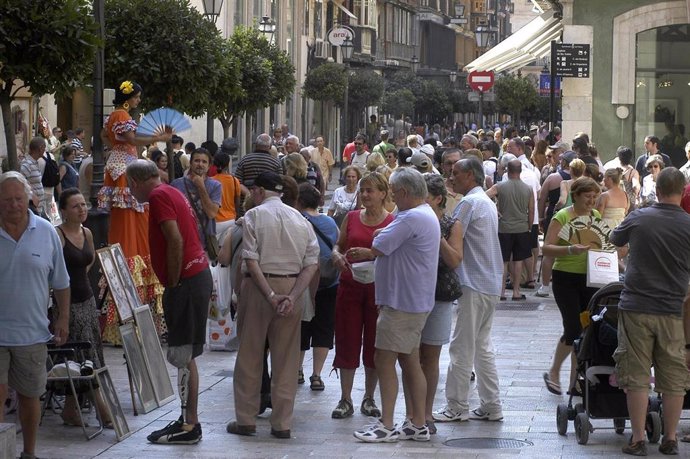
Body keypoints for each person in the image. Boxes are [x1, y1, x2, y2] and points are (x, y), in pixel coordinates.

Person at [227, 171, 319, 439]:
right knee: (287, 359)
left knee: (250, 355)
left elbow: (251, 260)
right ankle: (282, 423)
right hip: (291, 287)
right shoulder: (301, 220)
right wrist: (293, 295)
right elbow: (312, 263)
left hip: (259, 288)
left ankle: (246, 419)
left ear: (257, 191)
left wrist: (268, 294)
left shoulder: (254, 216)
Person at [126, 159, 212, 445]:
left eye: (129, 186)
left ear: (135, 182)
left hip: (187, 282)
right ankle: (188, 420)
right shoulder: (171, 191)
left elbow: (174, 240)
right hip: (195, 277)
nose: (130, 192)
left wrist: (174, 282)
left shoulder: (159, 196)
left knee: (182, 355)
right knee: (186, 356)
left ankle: (189, 425)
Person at [353, 168, 440, 443]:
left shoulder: (412, 217)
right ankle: (417, 422)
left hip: (402, 302)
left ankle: (387, 424)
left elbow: (379, 242)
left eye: (392, 191)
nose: (391, 196)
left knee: (385, 359)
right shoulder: (421, 214)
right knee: (409, 360)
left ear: (403, 192)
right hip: (411, 300)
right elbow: (385, 238)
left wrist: (381, 235)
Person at [610, 167, 690, 456]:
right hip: (672, 311)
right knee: (673, 377)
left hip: (636, 307)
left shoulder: (639, 217)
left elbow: (614, 238)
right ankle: (670, 438)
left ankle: (639, 438)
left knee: (636, 375)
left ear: (657, 190)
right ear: (682, 192)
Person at [0, 171, 70, 459]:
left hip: (32, 332)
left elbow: (62, 283)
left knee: (30, 395)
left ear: (28, 198)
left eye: (18, 198)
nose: (13, 205)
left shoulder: (46, 232)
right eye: (6, 200)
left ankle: (29, 452)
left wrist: (63, 319)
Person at [98, 80, 170, 344]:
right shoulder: (122, 114)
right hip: (124, 167)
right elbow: (128, 138)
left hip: (121, 164)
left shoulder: (115, 116)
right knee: (133, 224)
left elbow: (108, 137)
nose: (139, 101)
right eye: (138, 97)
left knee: (135, 223)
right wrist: (155, 139)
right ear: (130, 99)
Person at [433, 157, 504, 424]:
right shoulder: (483, 201)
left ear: (471, 176)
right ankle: (491, 404)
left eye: (456, 174)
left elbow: (451, 234)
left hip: (473, 283)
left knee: (462, 346)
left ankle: (457, 405)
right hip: (488, 282)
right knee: (481, 345)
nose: (451, 178)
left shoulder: (469, 203)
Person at [330, 172, 393, 420]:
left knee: (375, 343)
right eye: (363, 190)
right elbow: (339, 245)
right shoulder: (352, 217)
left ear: (383, 193)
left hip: (379, 290)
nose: (365, 195)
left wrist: (370, 253)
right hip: (350, 285)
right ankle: (345, 398)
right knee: (347, 339)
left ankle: (369, 397)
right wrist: (336, 255)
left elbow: (395, 255)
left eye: (370, 190)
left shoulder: (392, 222)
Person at [542, 177, 604, 397]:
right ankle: (554, 371)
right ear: (575, 195)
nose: (592, 201)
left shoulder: (595, 216)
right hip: (565, 278)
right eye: (588, 196)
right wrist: (570, 250)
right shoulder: (563, 216)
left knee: (585, 330)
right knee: (573, 328)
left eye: (595, 197)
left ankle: (574, 382)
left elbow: (600, 246)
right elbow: (547, 248)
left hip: (590, 278)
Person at [55, 188, 111, 428]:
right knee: (84, 357)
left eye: (83, 204)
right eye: (76, 206)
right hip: (68, 303)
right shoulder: (57, 235)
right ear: (64, 211)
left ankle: (70, 410)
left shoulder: (87, 232)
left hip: (87, 300)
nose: (82, 209)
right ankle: (103, 410)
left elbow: (88, 264)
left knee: (85, 355)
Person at [417, 173, 463, 435]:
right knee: (411, 357)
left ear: (437, 199)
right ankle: (414, 411)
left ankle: (426, 411)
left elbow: (455, 260)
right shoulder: (409, 221)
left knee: (430, 357)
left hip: (438, 294)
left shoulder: (451, 225)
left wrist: (437, 233)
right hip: (412, 294)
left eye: (424, 197)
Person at [296, 183, 339, 392]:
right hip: (330, 282)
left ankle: (298, 370)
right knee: (324, 328)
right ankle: (317, 375)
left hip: (304, 281)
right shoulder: (330, 222)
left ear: (299, 201)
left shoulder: (297, 221)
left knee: (302, 326)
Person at [486, 160, 534, 301]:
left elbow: (484, 196)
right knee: (518, 260)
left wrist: (495, 209)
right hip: (522, 228)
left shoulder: (500, 186)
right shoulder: (528, 189)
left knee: (504, 261)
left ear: (508, 170)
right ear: (520, 171)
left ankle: (501, 292)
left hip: (504, 228)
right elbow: (531, 210)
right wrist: (530, 227)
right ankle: (516, 291)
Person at [171, 147, 222, 256]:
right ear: (190, 163)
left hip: (204, 246)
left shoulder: (215, 186)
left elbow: (211, 213)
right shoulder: (176, 184)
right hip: (182, 243)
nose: (200, 164)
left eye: (204, 162)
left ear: (209, 166)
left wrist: (201, 187)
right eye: (197, 160)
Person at [212, 151, 242, 244]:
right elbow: (237, 200)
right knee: (226, 249)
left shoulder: (211, 181)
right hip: (230, 220)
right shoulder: (234, 180)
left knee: (214, 251)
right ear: (228, 163)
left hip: (215, 221)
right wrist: (237, 214)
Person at [20, 137, 46, 215]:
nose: (45, 151)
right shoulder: (27, 164)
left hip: (38, 208)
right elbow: (21, 181)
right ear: (40, 148)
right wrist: (31, 194)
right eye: (44, 148)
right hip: (33, 208)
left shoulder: (34, 162)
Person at [616, 146, 640, 213]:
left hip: (617, 199)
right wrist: (637, 195)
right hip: (629, 201)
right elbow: (636, 186)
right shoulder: (633, 172)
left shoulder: (615, 170)